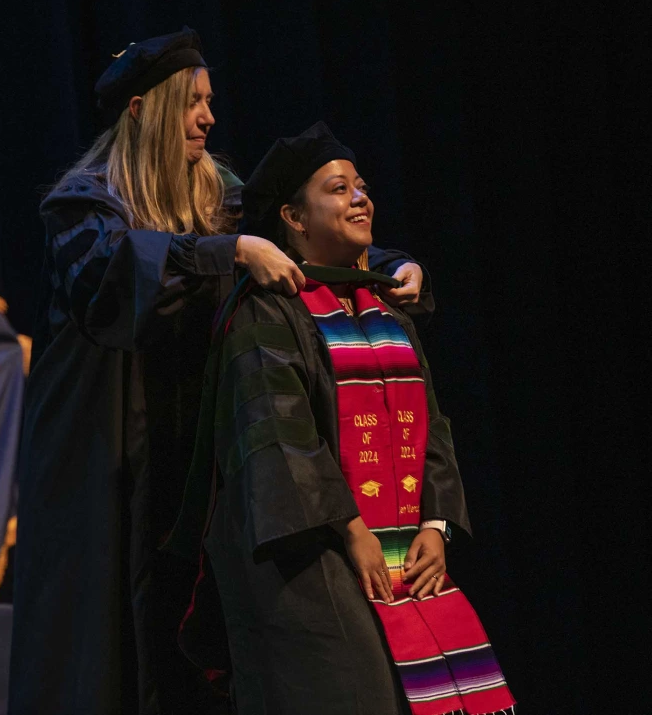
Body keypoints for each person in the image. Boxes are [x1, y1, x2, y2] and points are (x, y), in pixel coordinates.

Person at [8, 29, 430, 715]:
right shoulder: (82, 203)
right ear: (145, 109)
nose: (208, 117)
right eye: (192, 102)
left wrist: (385, 266)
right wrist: (230, 250)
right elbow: (111, 283)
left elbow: (300, 233)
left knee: (200, 624)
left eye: (211, 101)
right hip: (108, 450)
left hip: (196, 436)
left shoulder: (221, 189)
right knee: (106, 638)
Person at [169, 123, 516, 715]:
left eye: (361, 185)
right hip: (306, 557)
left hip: (398, 547)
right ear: (294, 218)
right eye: (338, 188)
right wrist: (352, 529)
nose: (361, 197)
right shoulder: (265, 312)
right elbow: (279, 438)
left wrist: (435, 523)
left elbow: (432, 422)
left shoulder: (384, 307)